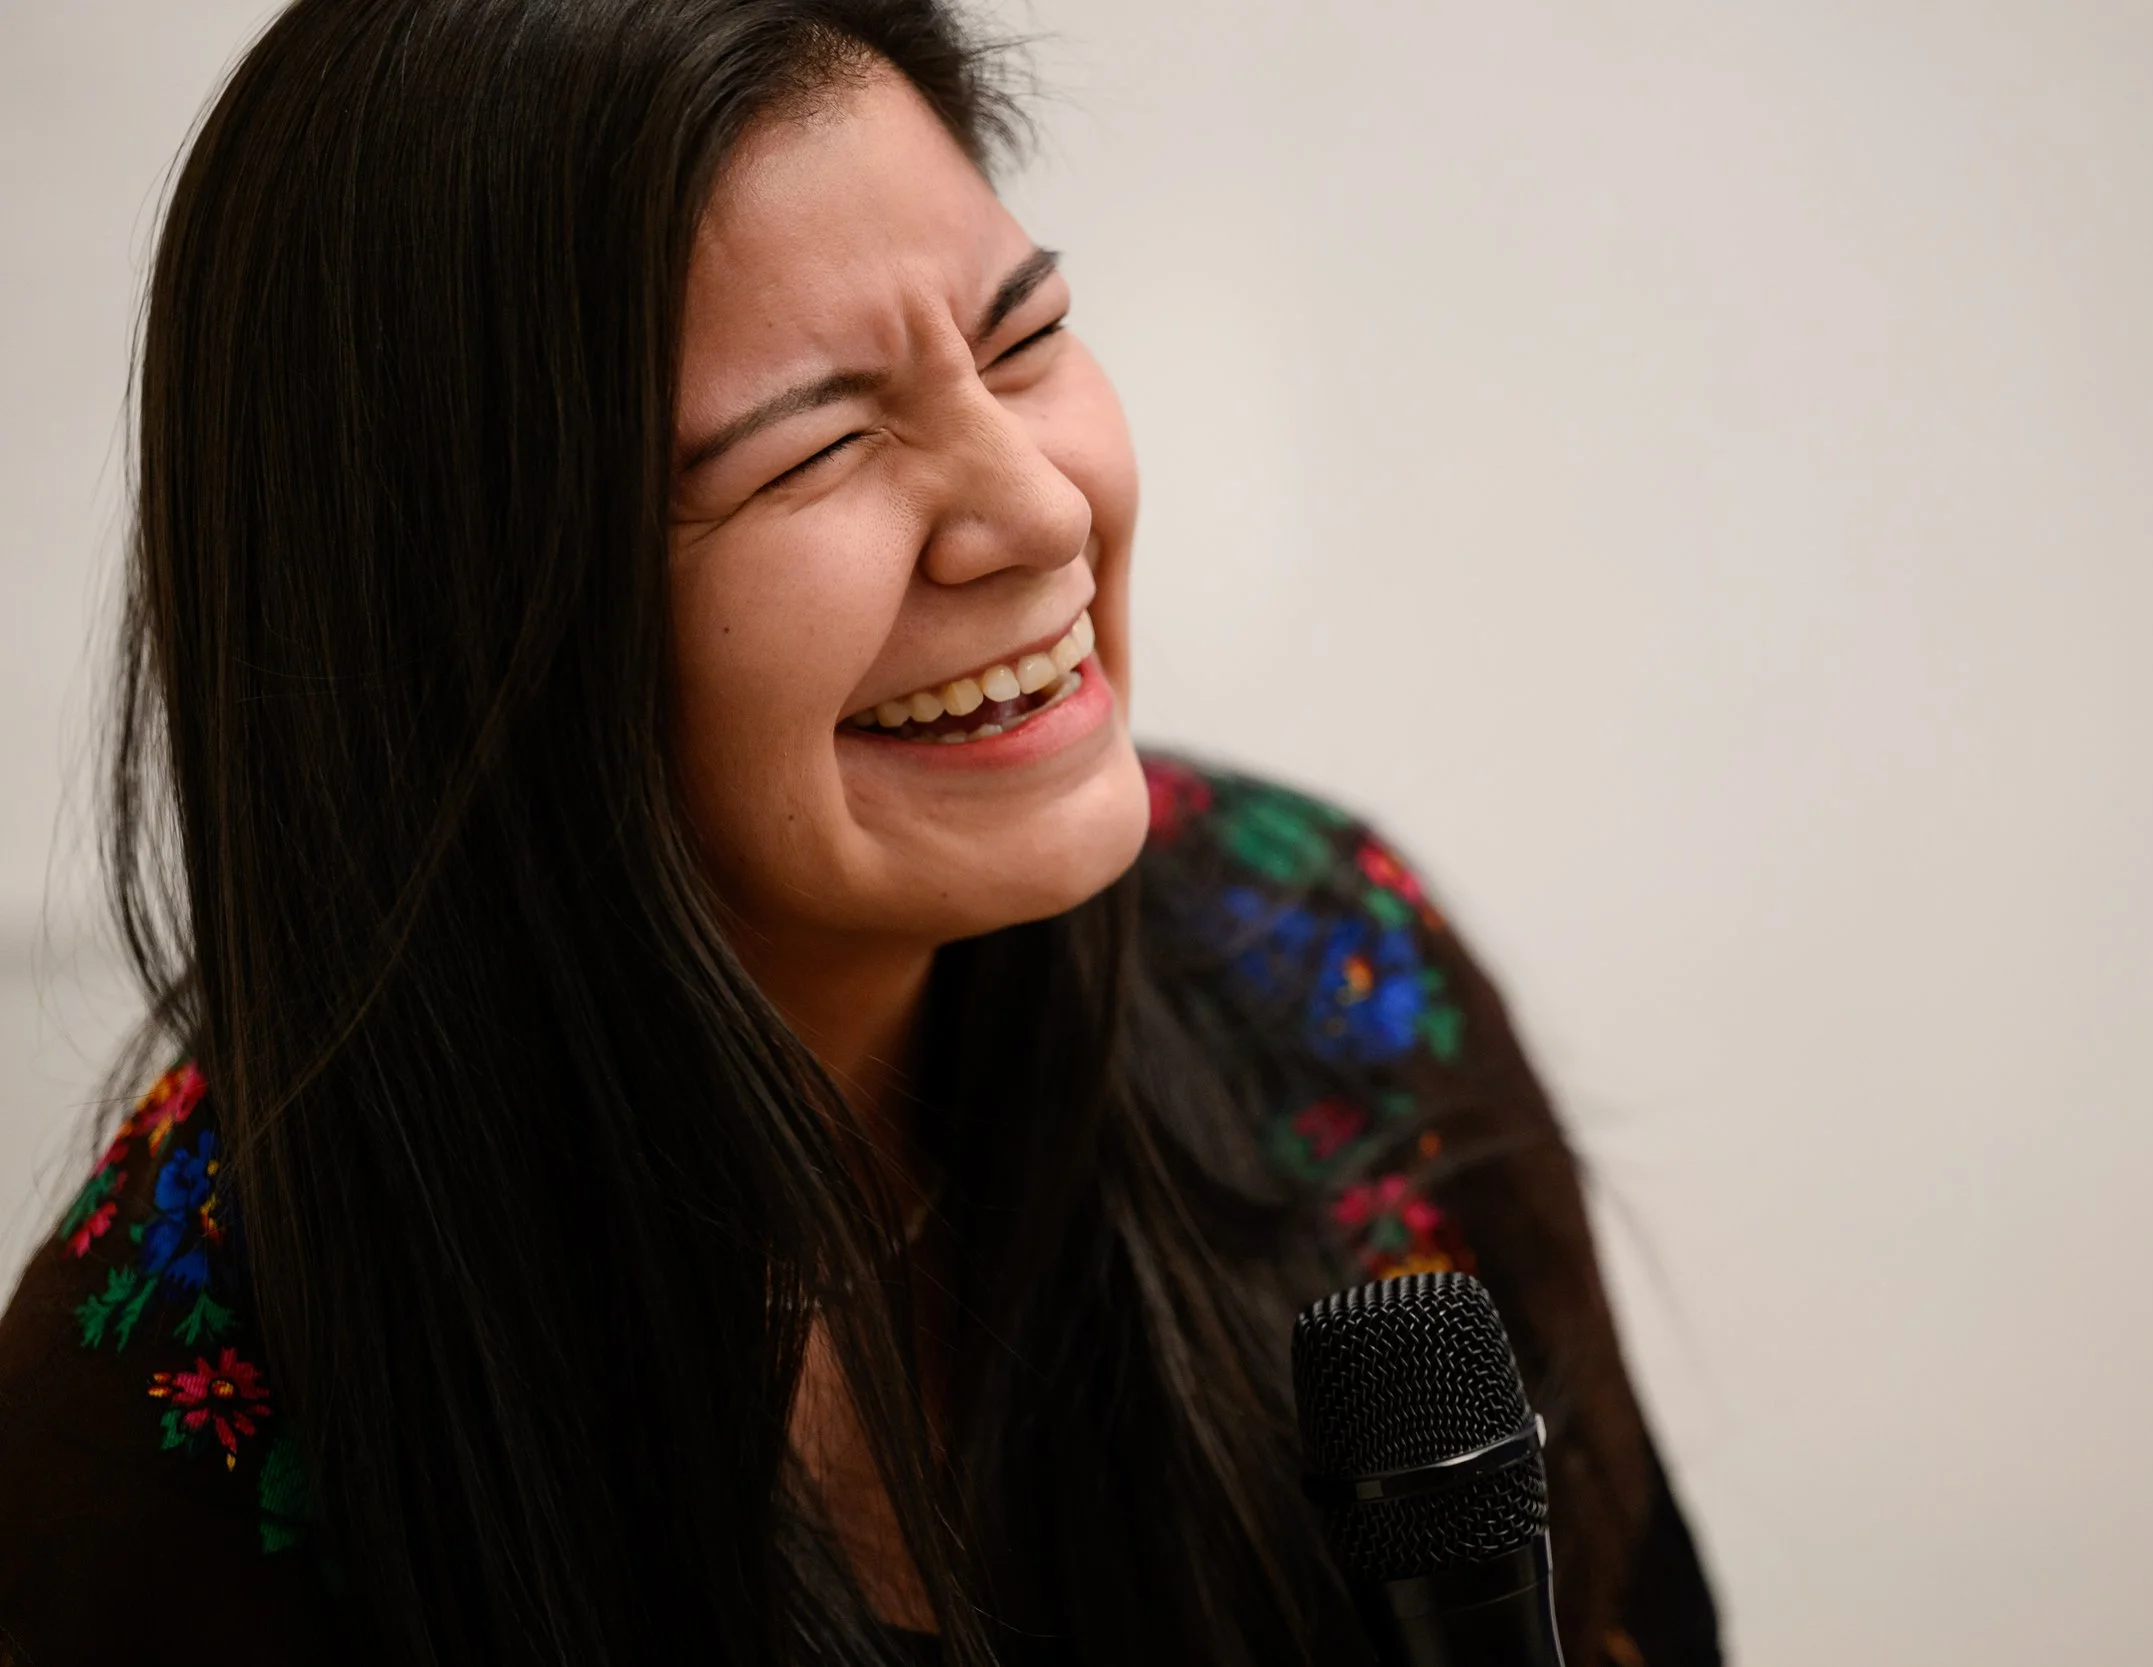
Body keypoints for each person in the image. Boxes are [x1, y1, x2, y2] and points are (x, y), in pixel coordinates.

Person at [0, 3, 1720, 1663]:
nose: (1038, 507)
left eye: (1024, 340)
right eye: (816, 449)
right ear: (454, 631)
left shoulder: (1324, 985)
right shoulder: (166, 1455)